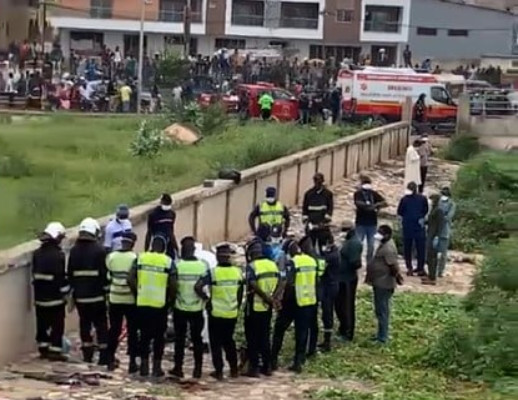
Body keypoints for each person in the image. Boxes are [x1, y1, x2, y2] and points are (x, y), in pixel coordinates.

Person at [195, 243, 243, 380]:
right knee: (229, 341)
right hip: (231, 312)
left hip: (215, 313)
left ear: (217, 257)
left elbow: (198, 286)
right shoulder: (237, 272)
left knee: (215, 343)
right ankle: (234, 369)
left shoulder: (212, 273)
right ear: (229, 257)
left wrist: (207, 299)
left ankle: (219, 371)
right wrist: (236, 305)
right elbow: (240, 292)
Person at [128, 236, 175, 377]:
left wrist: (138, 292)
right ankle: (156, 367)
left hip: (142, 303)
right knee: (159, 337)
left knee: (144, 336)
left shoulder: (140, 258)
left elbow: (130, 278)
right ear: (164, 248)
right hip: (160, 305)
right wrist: (170, 299)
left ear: (151, 245)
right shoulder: (167, 262)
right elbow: (173, 284)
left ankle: (144, 366)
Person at [67, 218, 109, 364]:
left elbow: (70, 273)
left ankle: (87, 355)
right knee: (101, 325)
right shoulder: (99, 250)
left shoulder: (74, 250)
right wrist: (107, 292)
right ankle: (104, 356)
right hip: (97, 297)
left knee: (84, 324)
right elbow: (104, 274)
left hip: (80, 297)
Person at [170, 237, 208, 379]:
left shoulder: (177, 265)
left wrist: (172, 301)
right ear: (194, 250)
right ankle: (197, 370)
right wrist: (205, 299)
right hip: (197, 308)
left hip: (180, 307)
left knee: (179, 340)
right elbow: (203, 286)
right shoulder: (202, 266)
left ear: (182, 250)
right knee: (197, 339)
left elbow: (172, 286)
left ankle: (178, 368)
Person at [32, 222, 69, 361]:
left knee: (42, 324)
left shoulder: (36, 254)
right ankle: (55, 350)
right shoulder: (59, 255)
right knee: (57, 325)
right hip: (55, 299)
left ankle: (43, 349)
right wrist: (66, 293)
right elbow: (60, 278)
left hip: (40, 298)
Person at [244, 241, 280, 377]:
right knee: (265, 336)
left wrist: (266, 297)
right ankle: (267, 366)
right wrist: (273, 298)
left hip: (254, 307)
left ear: (252, 254)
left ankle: (254, 368)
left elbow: (253, 284)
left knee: (252, 337)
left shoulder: (252, 266)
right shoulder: (272, 264)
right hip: (267, 308)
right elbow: (282, 281)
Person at [106, 231, 139, 372]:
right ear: (133, 243)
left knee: (114, 329)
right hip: (130, 299)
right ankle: (132, 363)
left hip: (115, 298)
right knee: (132, 331)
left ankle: (110, 359)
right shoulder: (135, 258)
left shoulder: (111, 257)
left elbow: (108, 277)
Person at [365, 225, 403, 344]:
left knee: (382, 311)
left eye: (381, 233)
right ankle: (380, 334)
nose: (378, 235)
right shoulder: (385, 244)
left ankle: (383, 338)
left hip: (384, 283)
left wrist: (398, 278)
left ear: (387, 235)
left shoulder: (388, 248)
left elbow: (393, 266)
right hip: (379, 281)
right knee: (380, 310)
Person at [288, 241, 319, 373]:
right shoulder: (312, 261)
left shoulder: (293, 262)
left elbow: (290, 282)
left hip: (299, 300)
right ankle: (305, 355)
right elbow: (317, 280)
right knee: (308, 330)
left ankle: (297, 362)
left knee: (299, 333)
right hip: (311, 299)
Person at [336, 220, 363, 342]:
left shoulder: (354, 243)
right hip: (342, 278)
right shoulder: (348, 241)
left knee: (347, 306)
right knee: (340, 305)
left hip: (348, 279)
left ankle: (348, 333)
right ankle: (343, 328)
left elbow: (356, 263)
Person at [397, 182, 429, 276]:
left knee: (408, 248)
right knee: (420, 248)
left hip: (408, 225)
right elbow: (425, 210)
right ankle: (420, 268)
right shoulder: (422, 198)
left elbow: (400, 211)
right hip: (418, 225)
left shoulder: (404, 199)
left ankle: (410, 267)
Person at [353, 175, 387, 263]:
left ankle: (369, 263)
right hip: (361, 223)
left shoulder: (373, 194)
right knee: (358, 244)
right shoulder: (358, 194)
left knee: (371, 246)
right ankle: (357, 261)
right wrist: (371, 207)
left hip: (372, 224)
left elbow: (385, 202)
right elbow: (359, 204)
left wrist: (376, 206)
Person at [318, 231, 340, 352]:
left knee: (327, 313)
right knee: (326, 313)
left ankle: (327, 342)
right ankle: (326, 340)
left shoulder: (331, 256)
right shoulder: (333, 252)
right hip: (330, 285)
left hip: (329, 287)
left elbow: (320, 270)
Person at [302, 173, 334, 255]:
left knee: (323, 248)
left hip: (322, 225)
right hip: (311, 224)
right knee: (309, 247)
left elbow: (330, 207)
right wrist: (305, 219)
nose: (317, 184)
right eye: (316, 181)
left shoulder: (327, 194)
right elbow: (305, 208)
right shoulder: (308, 194)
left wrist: (328, 217)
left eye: (319, 182)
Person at [145, 194, 179, 260]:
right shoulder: (153, 214)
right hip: (157, 244)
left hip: (169, 244)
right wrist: (146, 249)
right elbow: (149, 232)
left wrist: (176, 248)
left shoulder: (172, 214)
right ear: (161, 202)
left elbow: (171, 232)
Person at [422, 194, 445, 285]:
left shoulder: (439, 211)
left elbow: (440, 224)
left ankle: (432, 278)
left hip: (434, 236)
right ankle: (430, 275)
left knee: (432, 257)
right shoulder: (434, 209)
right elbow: (431, 221)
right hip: (430, 234)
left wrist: (437, 237)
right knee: (429, 256)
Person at [437, 187, 456, 278]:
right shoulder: (438, 202)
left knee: (443, 254)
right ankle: (433, 270)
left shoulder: (452, 204)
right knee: (433, 252)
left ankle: (440, 271)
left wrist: (441, 218)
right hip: (435, 230)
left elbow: (449, 217)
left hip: (444, 230)